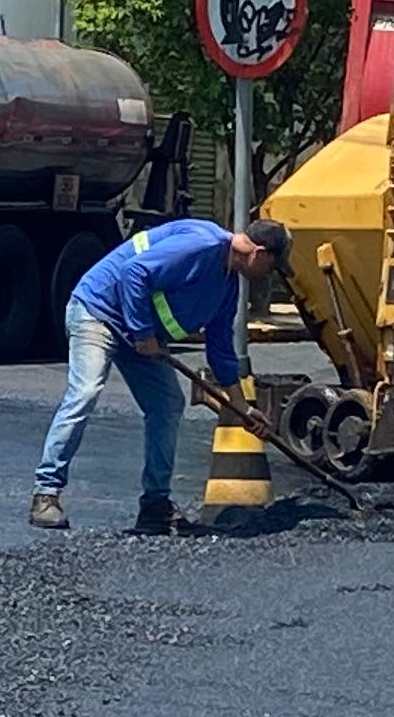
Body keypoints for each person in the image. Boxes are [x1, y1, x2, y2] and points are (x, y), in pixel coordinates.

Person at [31, 214, 290, 534]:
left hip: (142, 336)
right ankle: (46, 494)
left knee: (167, 405)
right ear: (259, 253)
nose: (268, 276)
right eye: (272, 268)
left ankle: (155, 505)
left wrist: (241, 407)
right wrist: (142, 334)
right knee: (85, 391)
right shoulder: (202, 246)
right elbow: (134, 272)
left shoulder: (227, 286)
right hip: (100, 313)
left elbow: (220, 346)